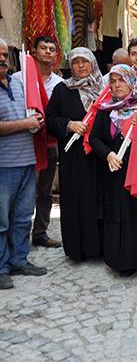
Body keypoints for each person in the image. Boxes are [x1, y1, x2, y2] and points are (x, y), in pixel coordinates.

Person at [89, 64, 137, 279]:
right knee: (121, 214)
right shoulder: (106, 110)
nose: (116, 85)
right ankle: (125, 261)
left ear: (131, 81)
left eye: (121, 80)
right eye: (113, 81)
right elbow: (94, 138)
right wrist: (108, 155)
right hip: (116, 171)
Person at [45, 47, 104, 261]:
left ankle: (101, 247)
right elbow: (49, 120)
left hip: (99, 156)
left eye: (85, 61)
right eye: (76, 62)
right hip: (74, 158)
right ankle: (79, 249)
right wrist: (69, 125)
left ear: (92, 63)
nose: (81, 66)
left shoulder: (104, 88)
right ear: (71, 66)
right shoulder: (62, 90)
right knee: (77, 201)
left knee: (99, 199)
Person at [0, 37, 47, 290]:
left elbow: (31, 112)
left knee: (22, 217)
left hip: (27, 161)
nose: (2, 60)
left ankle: (19, 260)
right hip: (3, 165)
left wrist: (36, 119)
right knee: (1, 220)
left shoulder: (18, 85)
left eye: (5, 55)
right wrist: (24, 124)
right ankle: (1, 267)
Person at [13, 36, 63, 248]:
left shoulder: (60, 84)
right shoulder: (18, 78)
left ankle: (40, 232)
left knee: (45, 191)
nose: (48, 52)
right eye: (43, 48)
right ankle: (18, 238)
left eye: (52, 49)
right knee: (22, 191)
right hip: (23, 142)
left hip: (49, 142)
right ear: (34, 51)